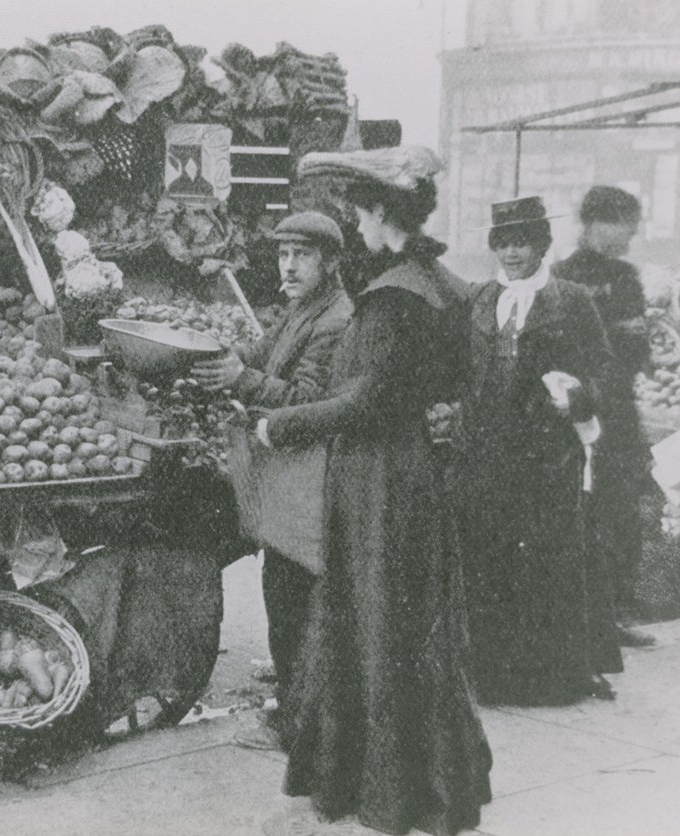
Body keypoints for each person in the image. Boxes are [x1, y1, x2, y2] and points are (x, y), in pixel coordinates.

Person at [254, 146, 492, 836]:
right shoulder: (436, 281)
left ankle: (390, 795)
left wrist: (281, 424)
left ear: (384, 213)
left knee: (376, 625)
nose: (354, 225)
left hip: (381, 482)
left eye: (359, 212)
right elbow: (442, 384)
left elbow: (364, 402)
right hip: (406, 473)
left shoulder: (395, 297)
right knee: (402, 629)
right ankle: (413, 783)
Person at [191, 211, 353, 750]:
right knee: (284, 588)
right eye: (283, 255)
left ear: (329, 263)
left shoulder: (335, 319)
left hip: (309, 477)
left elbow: (310, 401)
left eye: (301, 256)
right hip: (286, 475)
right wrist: (229, 359)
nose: (288, 266)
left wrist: (245, 380)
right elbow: (262, 354)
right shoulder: (300, 308)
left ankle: (298, 725)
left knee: (293, 591)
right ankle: (300, 694)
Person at [457, 196, 622, 705]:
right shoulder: (479, 298)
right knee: (490, 561)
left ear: (541, 245)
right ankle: (492, 677)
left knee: (546, 566)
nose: (511, 252)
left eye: (522, 242)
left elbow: (604, 370)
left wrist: (576, 396)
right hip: (486, 456)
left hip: (546, 458)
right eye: (503, 242)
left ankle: (551, 679)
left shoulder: (569, 299)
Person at [552, 186, 655, 647]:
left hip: (611, 414)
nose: (631, 235)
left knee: (619, 514)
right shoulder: (562, 276)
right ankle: (585, 615)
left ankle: (613, 614)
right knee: (583, 511)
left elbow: (635, 349)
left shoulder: (624, 276)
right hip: (577, 412)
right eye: (624, 224)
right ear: (594, 222)